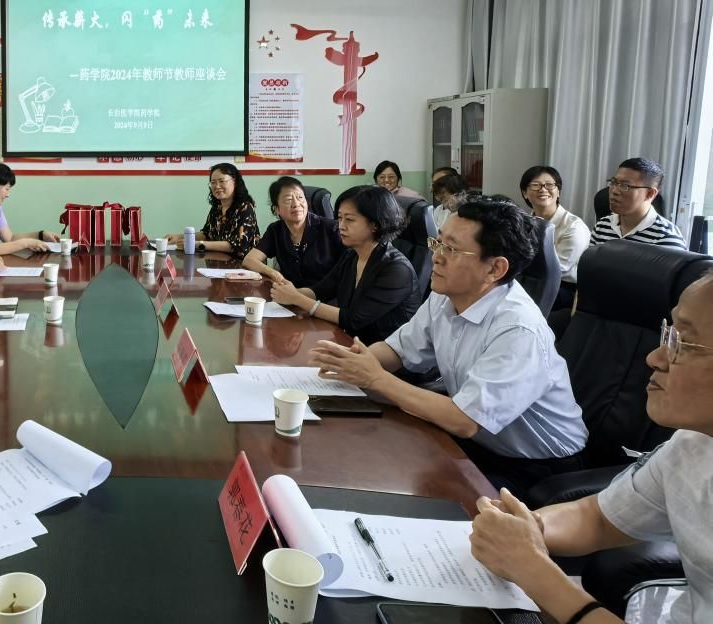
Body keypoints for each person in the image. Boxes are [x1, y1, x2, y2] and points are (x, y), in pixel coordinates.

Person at [470, 272, 713, 624]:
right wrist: (528, 528)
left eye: (684, 343)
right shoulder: (694, 445)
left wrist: (540, 577)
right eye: (669, 333)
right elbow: (597, 518)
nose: (655, 358)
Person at [309, 197, 588, 494]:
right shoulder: (445, 294)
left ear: (495, 269)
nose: (436, 257)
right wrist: (348, 362)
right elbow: (397, 351)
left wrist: (375, 378)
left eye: (451, 249)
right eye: (437, 242)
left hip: (536, 465)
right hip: (479, 442)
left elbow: (465, 420)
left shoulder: (518, 329)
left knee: (414, 493)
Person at [271, 185, 419, 345]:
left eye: (349, 219)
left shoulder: (396, 269)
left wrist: (297, 298)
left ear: (375, 224)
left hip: (383, 353)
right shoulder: (351, 256)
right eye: (340, 218)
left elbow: (353, 319)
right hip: (350, 342)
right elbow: (320, 291)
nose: (340, 225)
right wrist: (288, 293)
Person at [242, 176, 343, 287]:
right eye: (288, 200)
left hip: (325, 295)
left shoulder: (331, 228)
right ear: (277, 209)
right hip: (289, 293)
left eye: (300, 197)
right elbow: (249, 260)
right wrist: (274, 274)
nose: (296, 204)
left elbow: (346, 271)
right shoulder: (276, 230)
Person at [519, 165, 590, 307]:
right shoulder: (523, 222)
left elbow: (559, 269)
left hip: (562, 287)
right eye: (535, 185)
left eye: (550, 185)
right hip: (526, 277)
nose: (543, 189)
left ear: (558, 192)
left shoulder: (574, 226)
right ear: (525, 193)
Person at [168, 163, 260, 260]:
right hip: (219, 261)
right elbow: (207, 234)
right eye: (213, 182)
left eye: (222, 181)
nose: (217, 186)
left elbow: (237, 245)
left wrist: (197, 244)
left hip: (242, 265)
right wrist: (179, 237)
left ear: (235, 182)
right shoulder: (217, 208)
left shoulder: (245, 207)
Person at [591, 158, 685, 249]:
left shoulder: (667, 238)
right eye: (613, 182)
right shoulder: (602, 226)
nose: (614, 191)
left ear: (650, 194)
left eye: (625, 186)